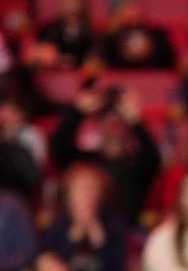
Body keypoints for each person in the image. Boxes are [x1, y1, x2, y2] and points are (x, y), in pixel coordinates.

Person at [49, 85, 163, 226]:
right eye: (105, 118)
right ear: (98, 124)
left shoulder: (136, 165)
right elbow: (58, 147)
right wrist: (79, 112)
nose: (112, 126)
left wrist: (137, 122)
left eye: (118, 120)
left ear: (126, 125)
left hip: (126, 236)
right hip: (85, 233)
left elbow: (154, 159)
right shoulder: (85, 162)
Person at [41, 163, 128, 271]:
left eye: (93, 189)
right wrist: (71, 239)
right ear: (69, 196)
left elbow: (118, 269)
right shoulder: (58, 226)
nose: (87, 196)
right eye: (82, 189)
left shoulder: (113, 226)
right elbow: (49, 261)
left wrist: (101, 244)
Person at [27, 0, 96, 70]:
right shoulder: (50, 30)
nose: (66, 4)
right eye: (63, 0)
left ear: (81, 2)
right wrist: (53, 58)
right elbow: (32, 58)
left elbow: (95, 61)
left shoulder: (91, 34)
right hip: (52, 79)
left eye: (71, 0)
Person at [100, 0, 177, 70]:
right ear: (116, 14)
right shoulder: (109, 38)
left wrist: (151, 48)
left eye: (136, 7)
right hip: (121, 78)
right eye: (128, 8)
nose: (136, 11)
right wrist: (112, 34)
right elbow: (103, 61)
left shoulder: (157, 34)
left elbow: (169, 60)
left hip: (154, 77)